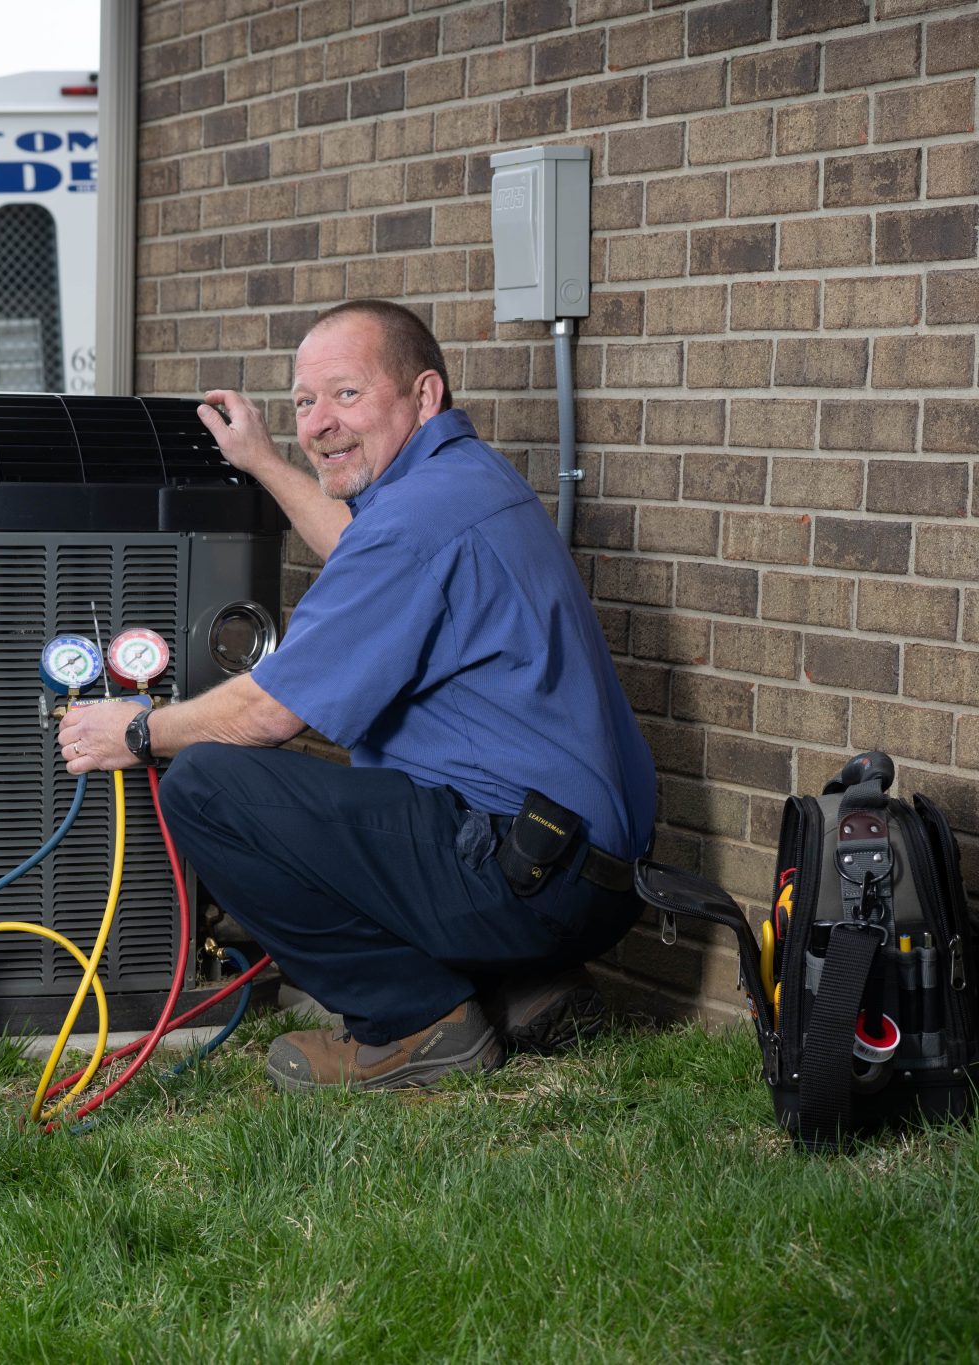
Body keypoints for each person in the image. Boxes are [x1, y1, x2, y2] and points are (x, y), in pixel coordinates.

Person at [57, 299, 655, 1092]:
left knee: (205, 786)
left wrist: (137, 730)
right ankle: (516, 986)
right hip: (591, 878)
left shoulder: (414, 523)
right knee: (350, 796)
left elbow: (268, 714)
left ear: (424, 395)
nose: (318, 423)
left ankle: (413, 1022)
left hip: (525, 876)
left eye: (345, 394)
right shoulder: (465, 480)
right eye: (305, 403)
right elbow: (361, 543)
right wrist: (266, 462)